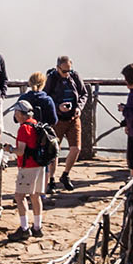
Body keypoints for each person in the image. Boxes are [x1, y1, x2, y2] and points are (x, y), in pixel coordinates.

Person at [2, 98, 50, 238]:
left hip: (28, 167)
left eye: (17, 112)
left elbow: (21, 151)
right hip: (40, 166)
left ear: (22, 114)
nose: (15, 115)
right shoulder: (36, 125)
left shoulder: (24, 129)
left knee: (19, 196)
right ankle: (37, 227)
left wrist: (9, 149)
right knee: (35, 196)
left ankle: (24, 229)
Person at [42, 56, 91, 189]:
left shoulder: (74, 76)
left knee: (76, 149)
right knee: (54, 151)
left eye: (69, 70)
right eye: (64, 71)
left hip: (73, 118)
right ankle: (51, 179)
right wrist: (58, 106)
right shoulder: (51, 78)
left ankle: (65, 174)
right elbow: (45, 97)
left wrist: (78, 108)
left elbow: (84, 94)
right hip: (57, 119)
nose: (67, 73)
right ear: (58, 68)